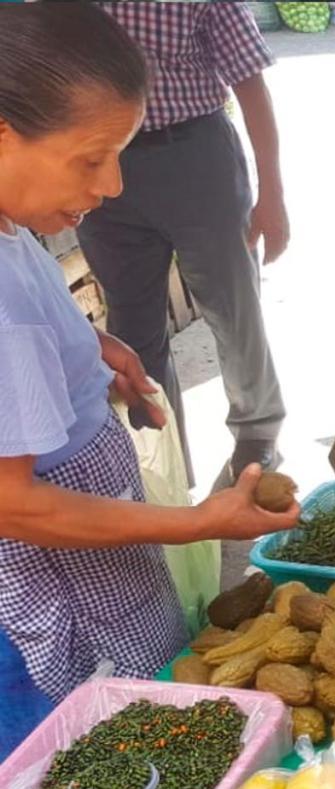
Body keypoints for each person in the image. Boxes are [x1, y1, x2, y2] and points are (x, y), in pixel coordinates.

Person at [0, 2, 298, 736]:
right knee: (110, 752)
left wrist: (90, 349)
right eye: (92, 158)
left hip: (99, 560)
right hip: (65, 597)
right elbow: (16, 504)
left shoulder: (12, 221)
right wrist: (197, 521)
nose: (113, 187)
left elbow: (32, 318)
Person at [77, 1, 289, 485]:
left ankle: (257, 430)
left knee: (233, 307)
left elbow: (250, 81)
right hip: (99, 158)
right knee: (131, 325)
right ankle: (161, 453)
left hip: (195, 155)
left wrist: (271, 194)